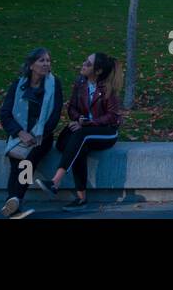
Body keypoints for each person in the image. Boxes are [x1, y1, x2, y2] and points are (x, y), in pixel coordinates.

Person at [34, 52, 122, 209]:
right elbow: (72, 108)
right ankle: (81, 200)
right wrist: (79, 119)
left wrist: (89, 123)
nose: (83, 64)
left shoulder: (108, 87)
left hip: (106, 131)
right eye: (85, 61)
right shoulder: (80, 82)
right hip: (84, 129)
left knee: (80, 137)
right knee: (66, 143)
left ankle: (55, 182)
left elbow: (113, 117)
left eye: (88, 63)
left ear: (98, 71)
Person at [0, 46, 63, 218]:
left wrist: (35, 136)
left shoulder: (55, 85)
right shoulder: (18, 85)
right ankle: (14, 203)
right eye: (42, 60)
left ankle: (15, 201)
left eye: (48, 60)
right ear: (32, 65)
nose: (46, 63)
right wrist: (20, 133)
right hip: (18, 135)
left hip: (42, 136)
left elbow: (55, 115)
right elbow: (5, 113)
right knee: (16, 164)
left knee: (27, 163)